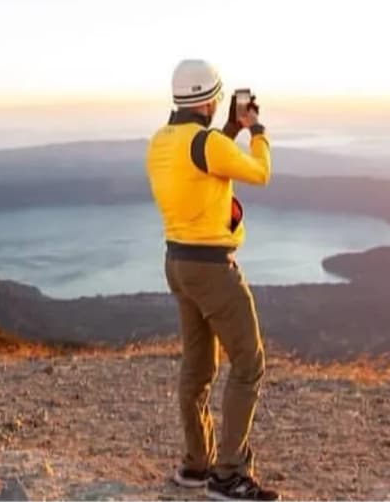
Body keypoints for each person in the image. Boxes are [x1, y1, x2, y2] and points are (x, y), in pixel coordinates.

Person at [145, 58, 278, 502]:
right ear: (209, 99)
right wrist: (255, 130)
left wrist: (226, 130)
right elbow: (258, 172)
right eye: (218, 97)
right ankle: (228, 475)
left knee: (198, 366)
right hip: (213, 269)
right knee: (248, 363)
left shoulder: (161, 141)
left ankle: (195, 464)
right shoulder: (205, 143)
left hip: (176, 264)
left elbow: (201, 158)